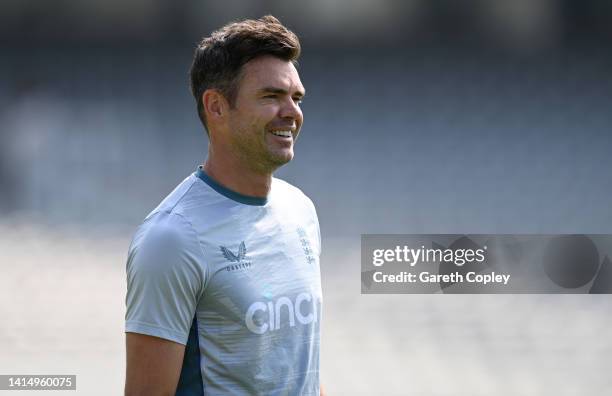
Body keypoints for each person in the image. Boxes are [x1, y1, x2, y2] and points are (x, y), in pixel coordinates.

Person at [124, 15, 323, 396]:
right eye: (270, 96)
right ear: (216, 106)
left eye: (295, 97)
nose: (292, 112)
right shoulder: (172, 239)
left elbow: (301, 372)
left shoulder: (301, 211)